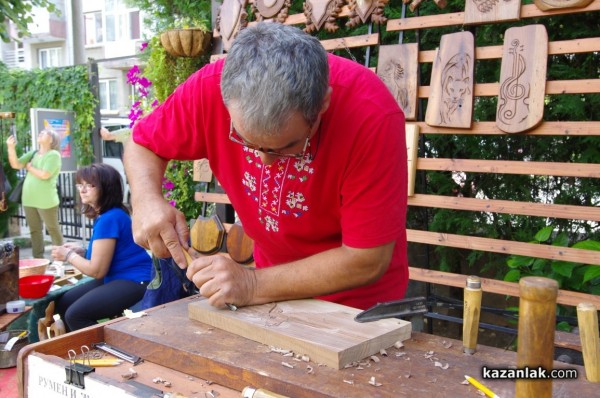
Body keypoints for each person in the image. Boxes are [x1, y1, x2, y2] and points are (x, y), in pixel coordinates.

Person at [125, 22, 408, 311]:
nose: (264, 160)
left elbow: (367, 259)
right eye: (246, 140)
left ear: (323, 103)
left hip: (360, 308)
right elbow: (142, 143)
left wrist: (252, 284)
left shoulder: (370, 116)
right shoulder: (210, 87)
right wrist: (146, 199)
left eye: (286, 147)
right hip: (271, 296)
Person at [51, 164, 152, 331]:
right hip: (119, 276)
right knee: (64, 303)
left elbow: (97, 271)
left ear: (106, 188)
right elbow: (111, 252)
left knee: (76, 315)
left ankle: (107, 349)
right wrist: (83, 251)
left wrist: (69, 255)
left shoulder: (109, 218)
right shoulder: (112, 214)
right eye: (80, 185)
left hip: (135, 280)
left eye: (90, 185)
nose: (82, 190)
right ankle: (74, 346)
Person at [7, 129, 63, 258]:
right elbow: (15, 164)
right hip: (29, 199)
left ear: (52, 140)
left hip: (46, 200)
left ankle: (61, 258)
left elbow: (44, 175)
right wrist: (11, 147)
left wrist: (29, 167)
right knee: (34, 231)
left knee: (53, 229)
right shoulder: (33, 153)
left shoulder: (54, 155)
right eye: (40, 132)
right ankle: (38, 259)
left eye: (44, 133)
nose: (40, 133)